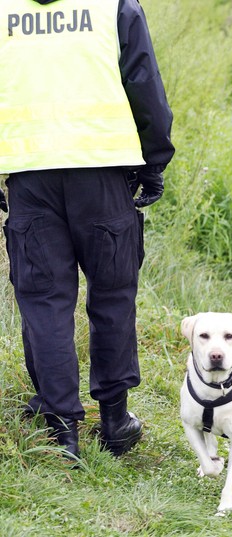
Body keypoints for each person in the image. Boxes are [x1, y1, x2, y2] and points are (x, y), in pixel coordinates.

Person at [0, 0, 174, 458]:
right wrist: (154, 159)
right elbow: (144, 83)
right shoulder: (114, 5)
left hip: (30, 176)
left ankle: (61, 430)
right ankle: (115, 422)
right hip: (103, 172)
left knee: (44, 301)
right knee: (113, 295)